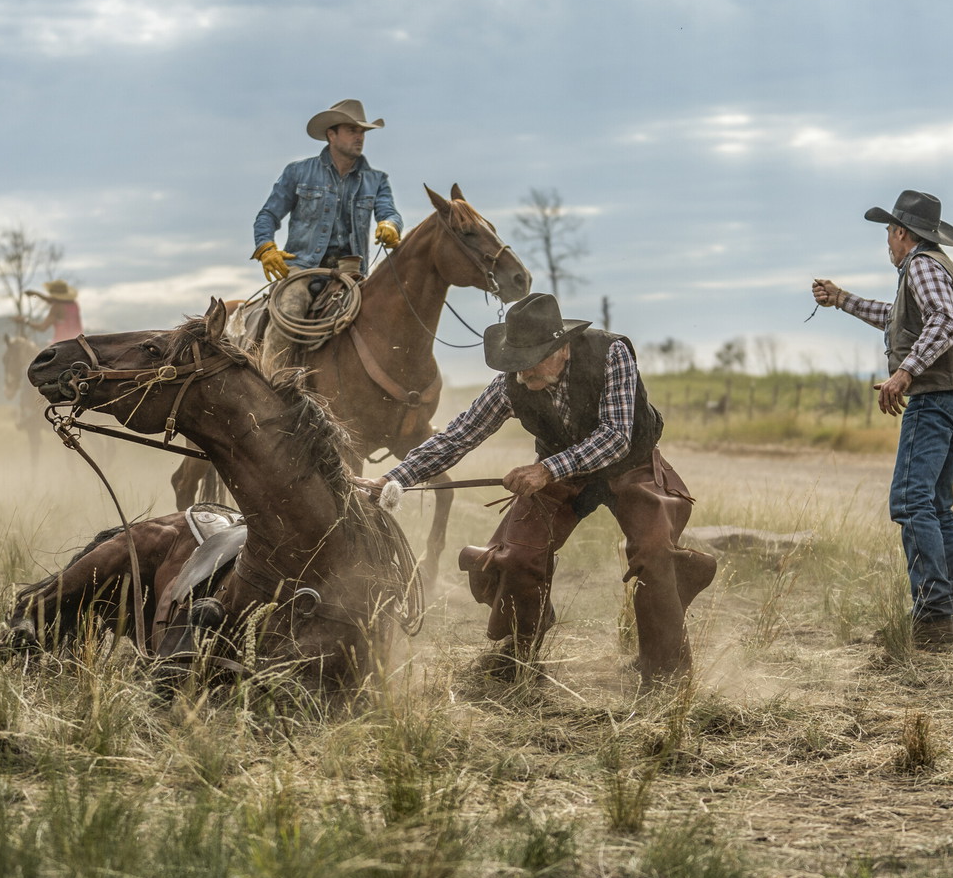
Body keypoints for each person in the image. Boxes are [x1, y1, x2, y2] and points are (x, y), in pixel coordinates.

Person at [361, 293, 717, 682]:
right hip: (560, 472)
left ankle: (665, 673)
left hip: (629, 465)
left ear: (561, 348)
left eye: (528, 365)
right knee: (516, 557)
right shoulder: (512, 383)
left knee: (654, 552)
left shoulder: (612, 354)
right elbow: (459, 435)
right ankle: (517, 659)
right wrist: (395, 478)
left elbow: (616, 437)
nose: (521, 376)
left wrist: (546, 469)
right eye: (514, 365)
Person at [810, 190, 953, 647]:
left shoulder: (921, 265)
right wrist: (842, 299)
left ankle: (933, 616)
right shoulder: (935, 267)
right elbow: (898, 318)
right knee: (935, 505)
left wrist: (905, 372)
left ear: (900, 233)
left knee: (911, 503)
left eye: (889, 233)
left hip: (937, 397)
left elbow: (943, 320)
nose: (887, 242)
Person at [252, 99, 403, 282]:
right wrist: (266, 248)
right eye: (352, 130)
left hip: (353, 273)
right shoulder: (297, 172)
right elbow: (268, 215)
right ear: (332, 135)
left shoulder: (377, 180)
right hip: (301, 270)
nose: (359, 137)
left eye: (362, 132)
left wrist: (390, 225)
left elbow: (390, 213)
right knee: (291, 305)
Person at [25, 279, 83, 343]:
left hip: (62, 345)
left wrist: (26, 321)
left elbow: (42, 327)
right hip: (79, 343)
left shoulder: (57, 307)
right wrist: (36, 293)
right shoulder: (74, 304)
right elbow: (50, 300)